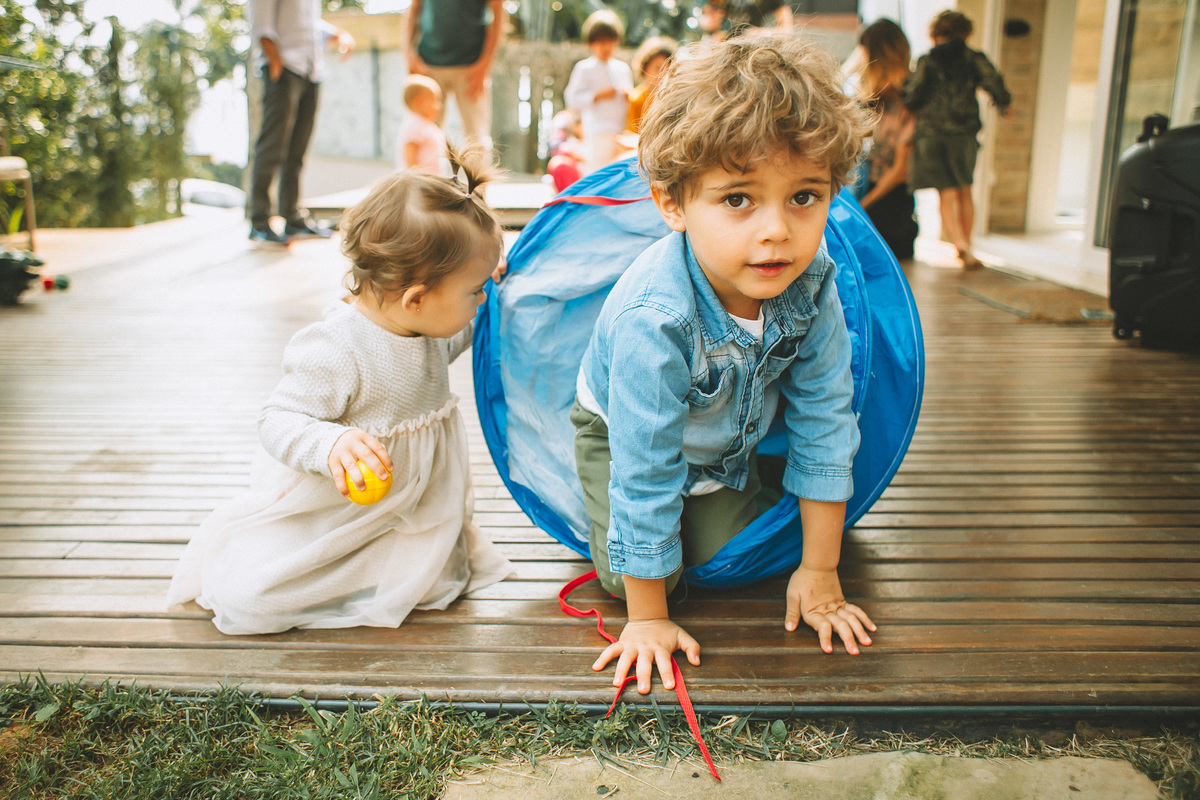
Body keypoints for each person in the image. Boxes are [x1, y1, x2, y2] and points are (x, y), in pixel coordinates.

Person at [571, 35, 877, 695]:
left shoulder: (814, 281)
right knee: (637, 577)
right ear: (673, 204)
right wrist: (647, 619)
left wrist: (820, 570)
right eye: (738, 199)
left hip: (724, 436)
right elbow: (645, 466)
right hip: (622, 437)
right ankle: (609, 521)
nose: (777, 230)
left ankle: (739, 499)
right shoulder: (653, 319)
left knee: (739, 552)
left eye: (804, 197)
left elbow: (827, 411)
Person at [167, 154, 514, 635]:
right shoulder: (337, 346)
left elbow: (455, 337)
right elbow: (278, 419)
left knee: (432, 582)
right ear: (415, 298)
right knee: (254, 597)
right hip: (337, 515)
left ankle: (389, 572)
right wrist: (332, 444)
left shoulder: (426, 325)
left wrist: (492, 289)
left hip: (407, 508)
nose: (480, 300)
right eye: (474, 291)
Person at [904, 10, 1012, 268]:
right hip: (963, 133)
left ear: (935, 35)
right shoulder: (972, 58)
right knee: (964, 188)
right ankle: (967, 245)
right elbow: (994, 83)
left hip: (932, 133)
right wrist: (1003, 104)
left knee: (946, 193)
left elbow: (913, 95)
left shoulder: (927, 61)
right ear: (965, 33)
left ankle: (958, 244)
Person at [247, 0, 355, 246]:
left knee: (297, 149)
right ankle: (259, 220)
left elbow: (307, 24)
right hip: (283, 68)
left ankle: (292, 217)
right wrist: (274, 59)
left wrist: (338, 35)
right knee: (272, 145)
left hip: (310, 70)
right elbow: (261, 20)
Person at [853, 19, 919, 261]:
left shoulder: (911, 101)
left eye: (865, 53)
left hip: (890, 207)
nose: (861, 60)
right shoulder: (869, 101)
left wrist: (862, 206)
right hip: (867, 198)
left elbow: (901, 170)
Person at [406, 0, 506, 156]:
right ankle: (427, 181)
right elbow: (413, 10)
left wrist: (484, 65)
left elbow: (498, 12)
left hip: (471, 67)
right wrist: (409, 55)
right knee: (425, 135)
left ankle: (478, 181)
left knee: (476, 138)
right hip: (429, 66)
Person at [564, 9, 635, 174]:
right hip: (597, 132)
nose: (606, 47)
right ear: (591, 43)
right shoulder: (584, 68)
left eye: (611, 41)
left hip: (621, 133)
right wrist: (597, 95)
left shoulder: (622, 68)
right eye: (601, 42)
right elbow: (571, 98)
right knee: (598, 174)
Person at [396, 74, 448, 175]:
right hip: (418, 183)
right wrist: (417, 177)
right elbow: (410, 156)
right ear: (418, 102)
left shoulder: (426, 125)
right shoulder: (413, 125)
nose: (439, 106)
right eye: (435, 100)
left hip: (430, 181)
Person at [626, 36, 677, 135]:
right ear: (644, 68)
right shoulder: (636, 98)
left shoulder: (674, 99)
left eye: (668, 69)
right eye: (657, 68)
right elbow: (630, 134)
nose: (663, 74)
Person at [699, 0, 793, 41]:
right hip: (719, 49)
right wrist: (706, 22)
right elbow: (704, 18)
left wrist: (763, 33)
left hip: (751, 52)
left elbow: (787, 30)